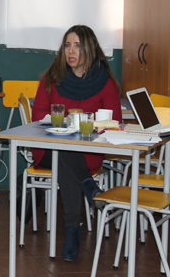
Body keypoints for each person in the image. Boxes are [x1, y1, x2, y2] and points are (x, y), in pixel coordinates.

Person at [31, 25, 122, 262]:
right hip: (49, 148)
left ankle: (73, 228)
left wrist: (86, 123)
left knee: (66, 156)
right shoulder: (52, 78)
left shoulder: (105, 82)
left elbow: (115, 121)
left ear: (90, 49)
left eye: (78, 46)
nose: (71, 51)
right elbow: (38, 114)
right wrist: (56, 123)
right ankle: (88, 189)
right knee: (62, 148)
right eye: (67, 45)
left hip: (88, 152)